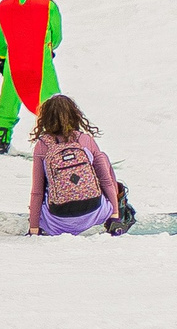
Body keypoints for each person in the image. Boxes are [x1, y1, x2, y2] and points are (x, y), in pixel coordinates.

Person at [26, 95, 134, 236]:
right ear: (74, 115)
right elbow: (106, 180)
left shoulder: (42, 146)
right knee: (102, 158)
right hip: (95, 213)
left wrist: (34, 228)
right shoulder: (85, 140)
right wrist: (114, 216)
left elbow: (37, 191)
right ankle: (118, 205)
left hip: (57, 221)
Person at [0, 0, 62, 154]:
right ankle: (58, 140)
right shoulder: (48, 4)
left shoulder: (4, 5)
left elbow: (0, 36)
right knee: (50, 100)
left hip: (14, 62)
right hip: (41, 63)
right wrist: (50, 48)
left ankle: (1, 138)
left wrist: (2, 56)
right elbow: (56, 36)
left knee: (9, 98)